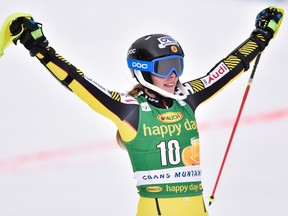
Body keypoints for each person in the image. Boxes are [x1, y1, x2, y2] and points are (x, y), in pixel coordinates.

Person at [0, 6, 284, 216]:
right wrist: (37, 46)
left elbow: (228, 67)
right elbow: (77, 80)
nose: (173, 76)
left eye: (178, 65)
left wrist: (261, 37)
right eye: (164, 68)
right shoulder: (129, 110)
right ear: (143, 72)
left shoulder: (187, 98)